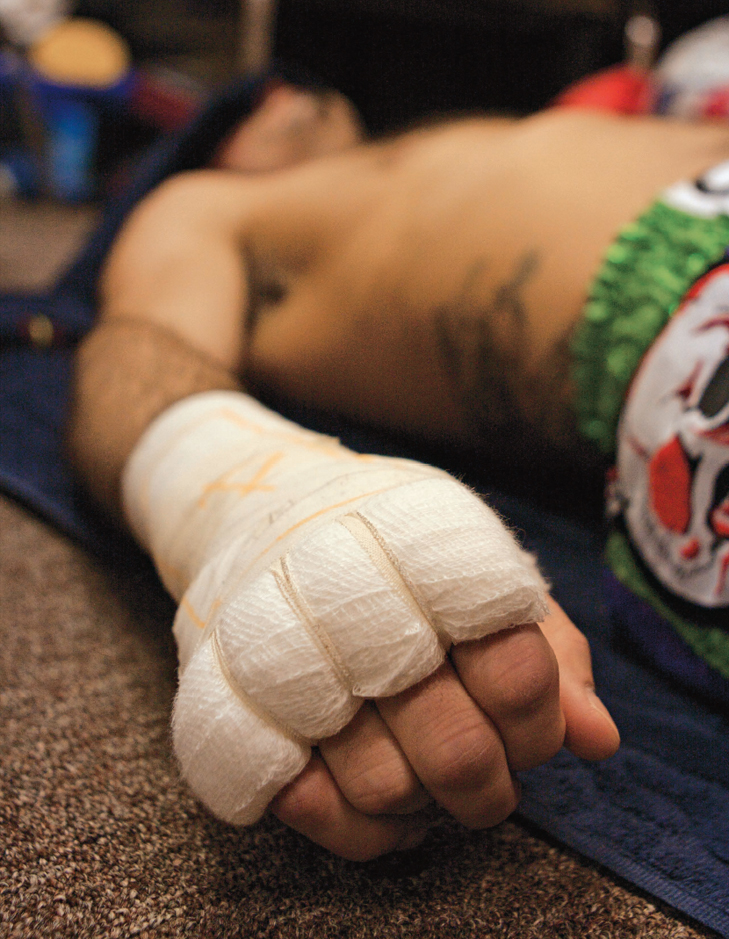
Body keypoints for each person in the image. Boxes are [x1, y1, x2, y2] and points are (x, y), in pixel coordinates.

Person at [68, 81, 729, 860]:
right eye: (248, 105)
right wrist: (280, 505)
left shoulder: (562, 121)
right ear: (224, 148)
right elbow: (133, 360)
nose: (285, 93)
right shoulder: (207, 205)